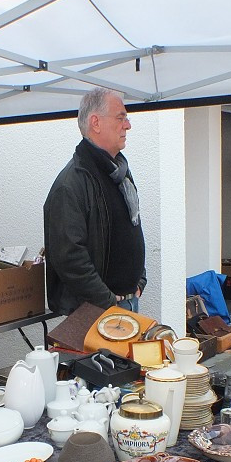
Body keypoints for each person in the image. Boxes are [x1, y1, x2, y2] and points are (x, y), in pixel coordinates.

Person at [43, 87, 146, 314]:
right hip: (93, 311)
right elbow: (68, 257)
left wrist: (139, 281)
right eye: (121, 118)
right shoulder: (71, 184)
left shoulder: (120, 173)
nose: (127, 125)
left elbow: (132, 227)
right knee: (96, 353)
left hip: (125, 304)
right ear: (96, 123)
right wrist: (107, 300)